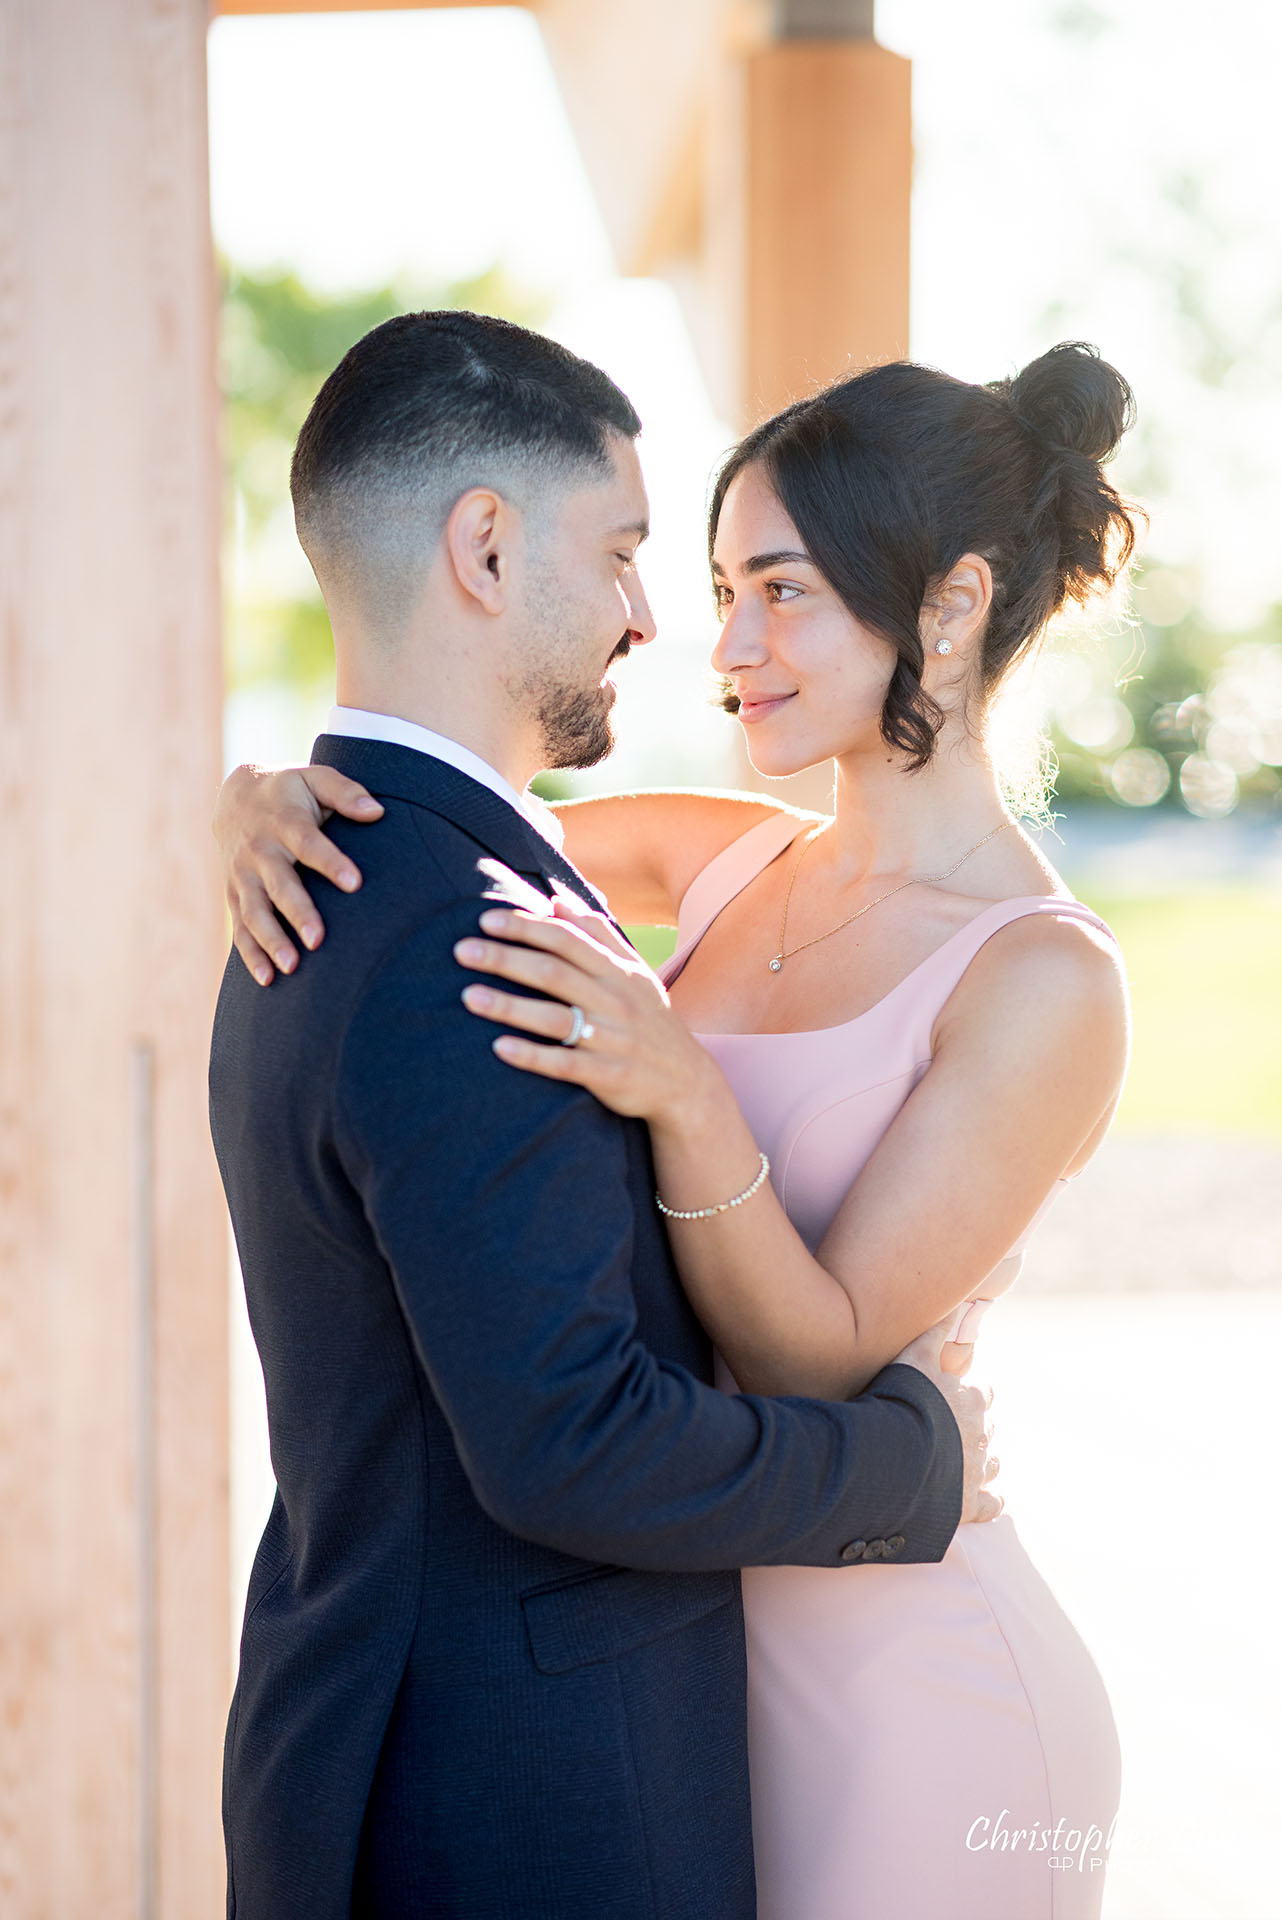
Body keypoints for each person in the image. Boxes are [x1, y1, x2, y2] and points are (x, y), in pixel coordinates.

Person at [219, 336, 1135, 1919]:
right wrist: (245, 800)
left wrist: (688, 1095)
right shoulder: (727, 861)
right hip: (679, 1652)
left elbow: (820, 1354)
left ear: (950, 600)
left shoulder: (1043, 979)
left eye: (779, 588)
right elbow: (442, 825)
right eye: (711, 584)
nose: (720, 640)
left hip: (903, 1675)